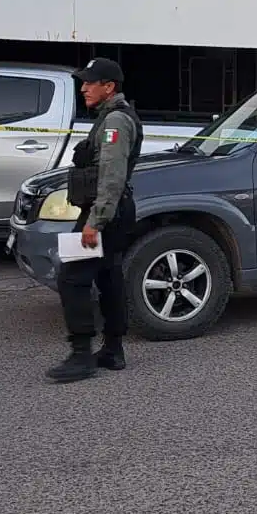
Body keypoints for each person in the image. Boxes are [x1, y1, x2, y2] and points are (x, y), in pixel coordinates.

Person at [49, 57, 144, 384]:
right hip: (114, 211)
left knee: (72, 277)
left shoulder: (115, 121)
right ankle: (113, 350)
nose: (84, 87)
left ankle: (81, 356)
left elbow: (112, 177)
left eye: (91, 82)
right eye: (84, 82)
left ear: (109, 87)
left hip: (105, 212)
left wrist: (95, 221)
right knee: (107, 275)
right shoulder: (110, 117)